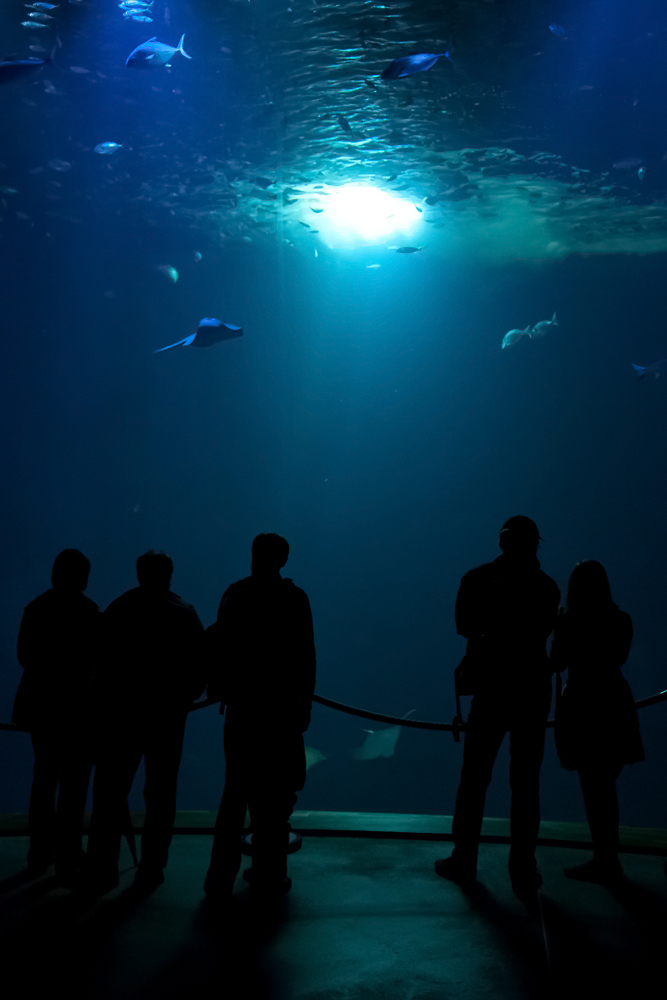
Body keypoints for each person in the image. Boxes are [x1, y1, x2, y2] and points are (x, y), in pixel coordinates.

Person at [436, 516, 560, 898]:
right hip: (531, 691)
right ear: (534, 544)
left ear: (502, 542)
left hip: (490, 690)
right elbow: (539, 633)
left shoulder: (475, 580)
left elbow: (464, 626)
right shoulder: (547, 588)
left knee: (474, 779)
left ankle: (464, 857)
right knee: (526, 784)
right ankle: (523, 865)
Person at [204, 533, 316, 898]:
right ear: (283, 560)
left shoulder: (235, 594)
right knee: (276, 798)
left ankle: (219, 879)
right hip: (281, 713)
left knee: (234, 794)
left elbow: (217, 647)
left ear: (253, 555)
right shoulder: (294, 598)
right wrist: (304, 706)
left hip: (242, 712)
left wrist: (217, 687)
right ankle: (270, 874)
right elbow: (306, 658)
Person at [85, 551, 204, 894]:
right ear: (169, 575)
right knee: (162, 794)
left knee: (109, 793)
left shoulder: (118, 609)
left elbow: (99, 664)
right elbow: (199, 669)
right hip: (167, 718)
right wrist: (185, 696)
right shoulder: (184, 613)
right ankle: (152, 868)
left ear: (138, 574)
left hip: (120, 717)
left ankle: (102, 869)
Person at [550, 561, 644, 884]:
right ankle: (607, 858)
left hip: (583, 707)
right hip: (615, 704)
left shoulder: (569, 621)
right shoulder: (621, 620)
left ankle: (605, 860)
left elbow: (557, 662)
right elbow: (617, 659)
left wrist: (563, 625)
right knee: (605, 785)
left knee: (593, 788)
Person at [13, 549, 100, 885]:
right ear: (83, 577)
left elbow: (24, 655)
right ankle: (69, 853)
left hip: (41, 707)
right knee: (75, 783)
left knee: (44, 776)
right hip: (77, 710)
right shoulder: (90, 613)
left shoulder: (36, 608)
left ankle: (39, 850)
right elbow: (97, 664)